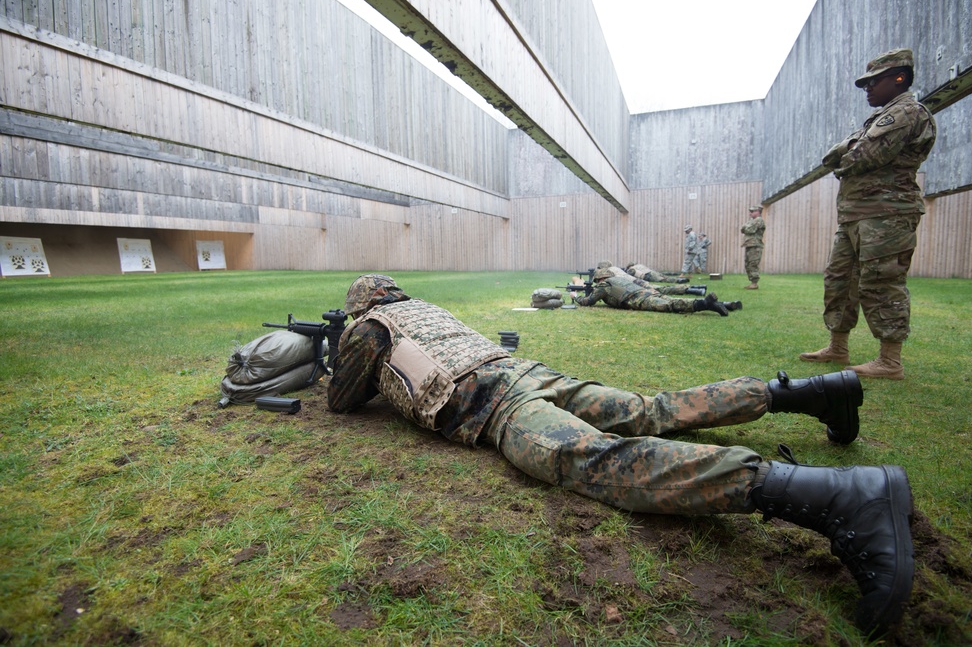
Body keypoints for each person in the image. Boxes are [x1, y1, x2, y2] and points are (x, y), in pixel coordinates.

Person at [327, 274, 915, 639]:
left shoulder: (370, 327)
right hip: (534, 375)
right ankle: (809, 392)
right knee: (650, 409)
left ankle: (835, 496)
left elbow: (342, 401)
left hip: (498, 403)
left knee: (598, 460)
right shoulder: (426, 310)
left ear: (361, 305)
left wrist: (335, 351)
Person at [800, 48, 936, 380]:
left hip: (886, 215)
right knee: (840, 281)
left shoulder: (906, 113)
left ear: (899, 78)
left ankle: (890, 360)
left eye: (874, 82)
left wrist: (845, 151)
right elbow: (838, 156)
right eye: (865, 84)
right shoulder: (880, 117)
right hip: (856, 216)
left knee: (881, 282)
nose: (868, 89)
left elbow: (858, 157)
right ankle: (838, 346)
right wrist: (846, 152)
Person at [574, 268, 734, 316]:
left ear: (599, 279)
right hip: (645, 292)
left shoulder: (603, 286)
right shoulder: (617, 280)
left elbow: (588, 302)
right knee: (670, 299)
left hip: (638, 299)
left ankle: (703, 303)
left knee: (670, 305)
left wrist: (576, 297)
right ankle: (717, 305)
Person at [741, 205, 766, 290]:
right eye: (750, 211)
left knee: (753, 264)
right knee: (748, 264)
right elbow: (742, 229)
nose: (750, 213)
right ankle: (752, 283)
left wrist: (745, 227)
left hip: (755, 245)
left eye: (752, 211)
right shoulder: (752, 221)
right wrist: (745, 227)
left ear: (758, 212)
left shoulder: (759, 220)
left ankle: (754, 283)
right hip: (750, 245)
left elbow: (750, 230)